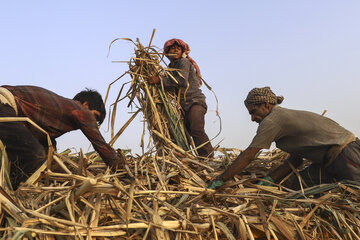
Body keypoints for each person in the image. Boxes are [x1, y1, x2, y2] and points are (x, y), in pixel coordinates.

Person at [208, 86, 360, 190]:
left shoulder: (273, 120)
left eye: (253, 112)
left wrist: (221, 179)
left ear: (266, 105)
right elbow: (296, 160)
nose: (253, 118)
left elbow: (249, 155)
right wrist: (270, 180)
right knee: (301, 185)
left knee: (356, 195)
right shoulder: (281, 119)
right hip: (328, 161)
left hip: (346, 154)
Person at [0, 85, 125, 189]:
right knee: (34, 154)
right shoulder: (80, 109)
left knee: (30, 157)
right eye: (95, 117)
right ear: (86, 105)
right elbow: (100, 144)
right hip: (4, 104)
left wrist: (73, 180)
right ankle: (16, 195)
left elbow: (49, 162)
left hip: (8, 112)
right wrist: (122, 171)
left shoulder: (47, 127)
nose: (93, 122)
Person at [149, 38, 214, 158]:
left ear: (182, 52)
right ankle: (191, 157)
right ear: (167, 52)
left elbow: (181, 81)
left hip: (195, 102)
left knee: (196, 129)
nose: (175, 50)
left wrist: (159, 80)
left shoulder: (183, 62)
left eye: (178, 49)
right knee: (186, 132)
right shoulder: (171, 67)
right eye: (172, 48)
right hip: (184, 105)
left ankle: (208, 157)